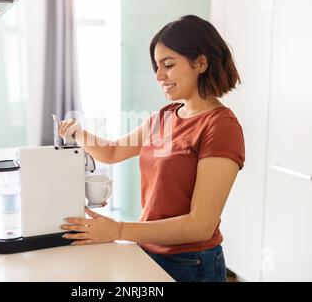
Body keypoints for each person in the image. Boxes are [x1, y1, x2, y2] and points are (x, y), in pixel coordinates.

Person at [58, 15, 245, 282]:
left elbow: (200, 226)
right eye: (157, 66)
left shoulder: (220, 127)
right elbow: (111, 152)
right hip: (148, 251)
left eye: (168, 65)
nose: (159, 76)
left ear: (201, 63)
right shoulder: (165, 117)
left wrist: (118, 230)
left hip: (192, 263)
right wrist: (78, 132)